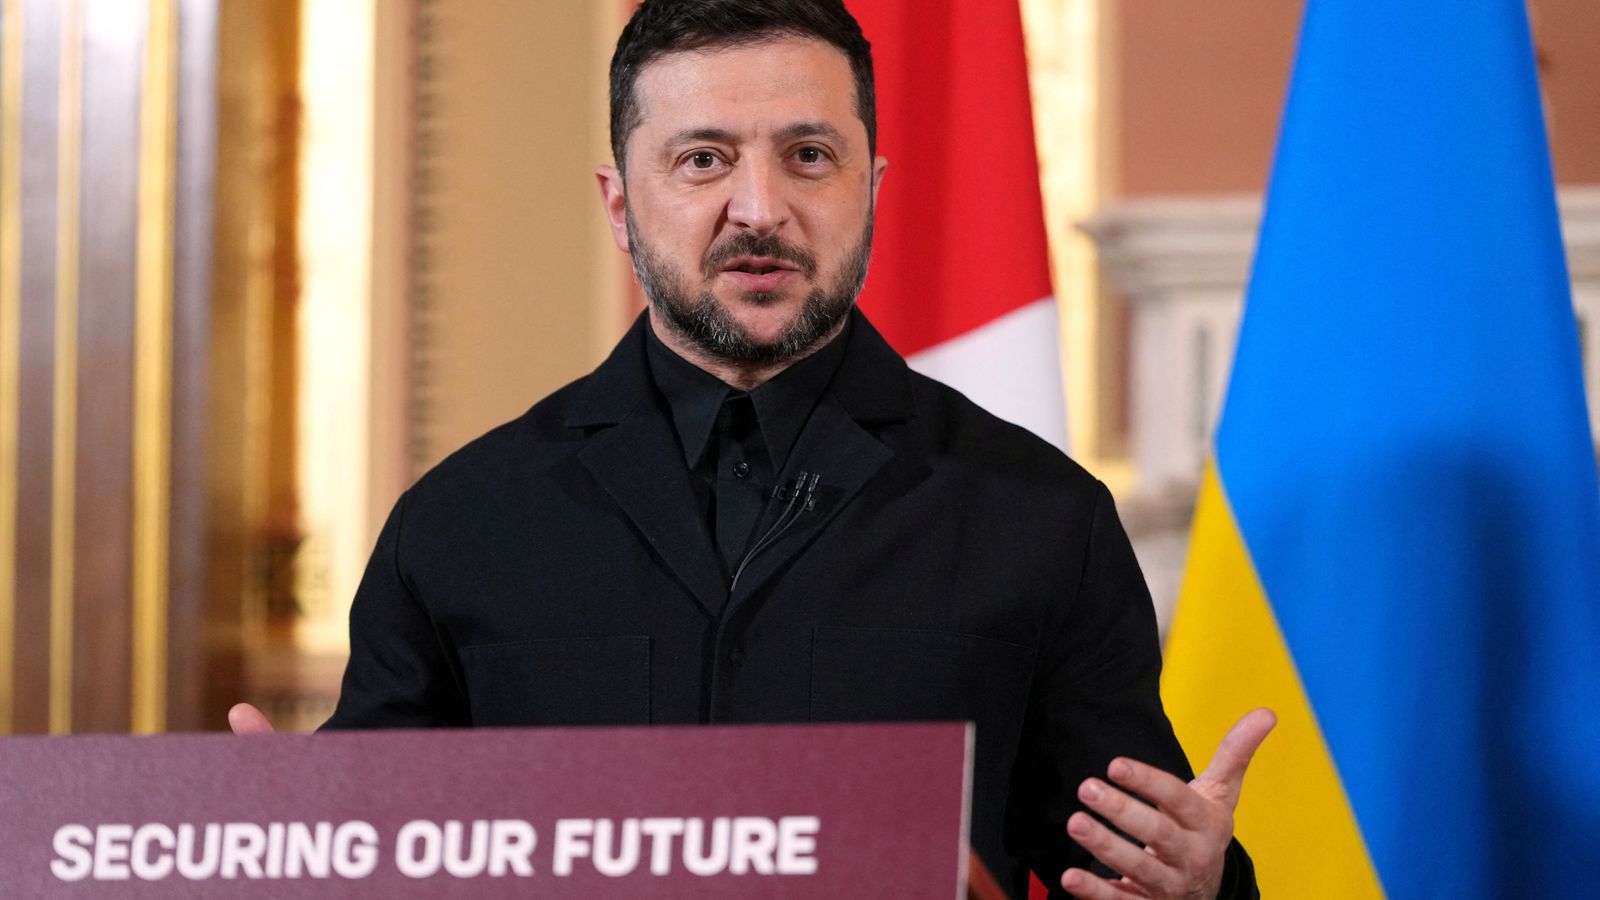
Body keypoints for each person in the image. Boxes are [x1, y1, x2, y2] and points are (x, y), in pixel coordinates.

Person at [231, 2, 1274, 896]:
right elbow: (372, 859)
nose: (760, 209)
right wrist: (295, 856)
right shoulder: (462, 521)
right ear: (619, 205)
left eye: (808, 156)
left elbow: (1128, 863)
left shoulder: (1039, 515)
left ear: (872, 187)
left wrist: (1202, 884)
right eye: (704, 160)